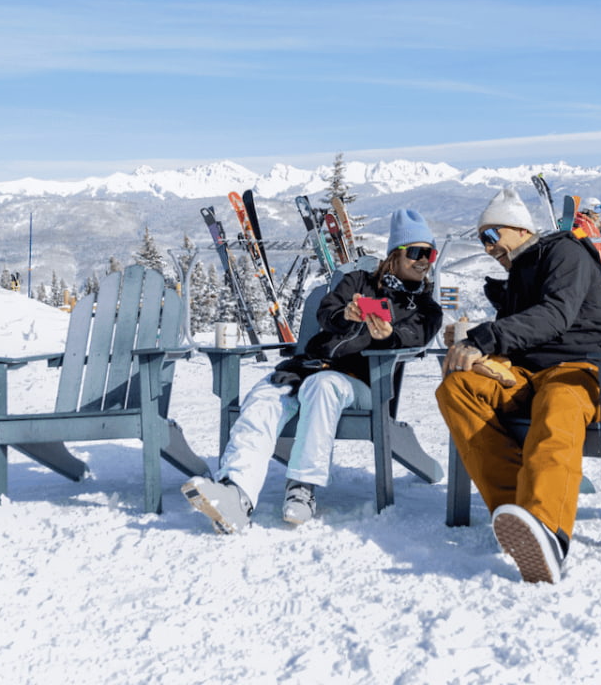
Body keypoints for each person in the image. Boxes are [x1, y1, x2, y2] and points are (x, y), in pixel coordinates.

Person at [184, 209, 442, 532]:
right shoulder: (358, 281)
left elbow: (416, 335)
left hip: (363, 382)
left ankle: (302, 489)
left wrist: (389, 336)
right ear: (395, 254)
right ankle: (236, 494)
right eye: (416, 252)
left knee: (324, 386)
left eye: (429, 253)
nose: (424, 261)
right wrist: (346, 314)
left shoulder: (426, 308)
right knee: (265, 395)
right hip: (307, 367)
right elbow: (326, 310)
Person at [436, 188, 601, 584]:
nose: (488, 248)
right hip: (527, 376)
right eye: (481, 241)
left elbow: (555, 315)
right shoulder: (518, 274)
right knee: (457, 389)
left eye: (492, 237)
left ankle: (546, 526)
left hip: (582, 368)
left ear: (520, 229)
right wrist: (470, 344)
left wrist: (484, 339)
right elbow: (516, 334)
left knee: (558, 403)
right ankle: (516, 513)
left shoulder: (566, 254)